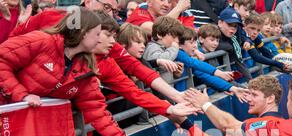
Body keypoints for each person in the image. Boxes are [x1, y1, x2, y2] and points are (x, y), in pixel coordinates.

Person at [0, 9, 140, 136]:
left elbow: (96, 110)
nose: (101, 39)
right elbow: (2, 61)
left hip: (28, 131)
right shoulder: (41, 41)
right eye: (98, 33)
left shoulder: (86, 68)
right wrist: (23, 95)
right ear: (83, 33)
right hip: (6, 122)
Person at [8, 0, 187, 105]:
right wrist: (19, 92)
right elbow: (8, 51)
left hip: (60, 109)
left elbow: (136, 69)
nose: (110, 14)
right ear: (88, 2)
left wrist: (174, 98)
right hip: (17, 101)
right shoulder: (50, 19)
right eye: (106, 7)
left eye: (114, 10)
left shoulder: (104, 40)